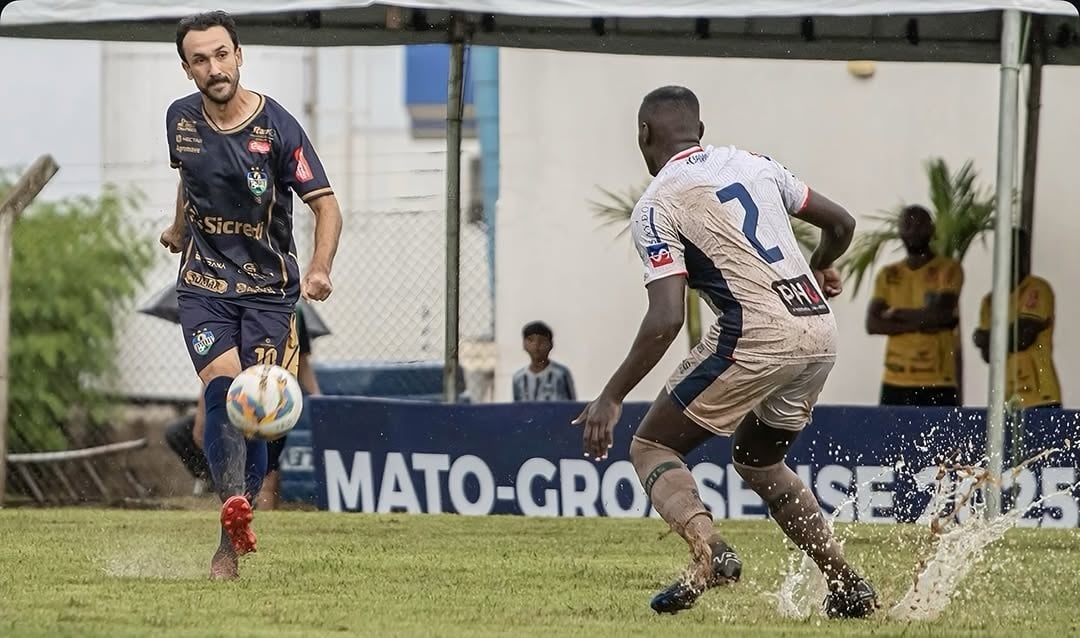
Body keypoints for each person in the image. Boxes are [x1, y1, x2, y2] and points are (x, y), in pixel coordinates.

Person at [573, 86, 876, 619]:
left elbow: (666, 318)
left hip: (756, 334)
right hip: (816, 328)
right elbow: (843, 224)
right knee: (761, 461)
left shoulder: (656, 204)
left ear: (643, 134)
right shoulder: (753, 163)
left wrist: (611, 396)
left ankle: (709, 551)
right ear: (701, 131)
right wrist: (821, 265)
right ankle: (846, 583)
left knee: (651, 446)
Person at [160, 11, 342, 580]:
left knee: (256, 417)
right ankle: (229, 530)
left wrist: (319, 268)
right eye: (200, 59)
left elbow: (327, 205)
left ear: (239, 56)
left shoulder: (278, 128)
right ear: (187, 69)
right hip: (205, 287)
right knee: (223, 390)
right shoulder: (180, 120)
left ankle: (233, 528)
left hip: (268, 295)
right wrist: (179, 229)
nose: (213, 68)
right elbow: (189, 179)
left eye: (221, 54)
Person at [166, 305, 323, 509]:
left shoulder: (290, 309)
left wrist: (319, 401)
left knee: (268, 469)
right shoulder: (219, 303)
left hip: (274, 402)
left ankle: (250, 507)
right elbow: (213, 371)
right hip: (236, 400)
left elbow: (302, 362)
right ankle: (231, 495)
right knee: (197, 438)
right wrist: (202, 412)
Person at [865, 205, 963, 406]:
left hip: (938, 381)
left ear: (931, 229)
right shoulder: (888, 274)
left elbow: (943, 315)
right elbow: (873, 324)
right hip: (896, 380)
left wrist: (895, 314)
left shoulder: (948, 269)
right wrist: (926, 320)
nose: (913, 231)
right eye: (907, 225)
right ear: (900, 231)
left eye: (919, 225)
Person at [973, 229, 1061, 409]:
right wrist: (989, 338)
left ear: (1024, 254)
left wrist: (985, 337)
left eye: (1014, 249)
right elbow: (988, 355)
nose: (1008, 255)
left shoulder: (1037, 288)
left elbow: (1022, 337)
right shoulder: (990, 301)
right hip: (1006, 400)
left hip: (1041, 397)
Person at [512, 321, 577, 402]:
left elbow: (572, 405)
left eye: (542, 341)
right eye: (531, 340)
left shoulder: (561, 374)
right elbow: (516, 408)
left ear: (551, 344)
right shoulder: (518, 378)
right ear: (524, 344)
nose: (536, 345)